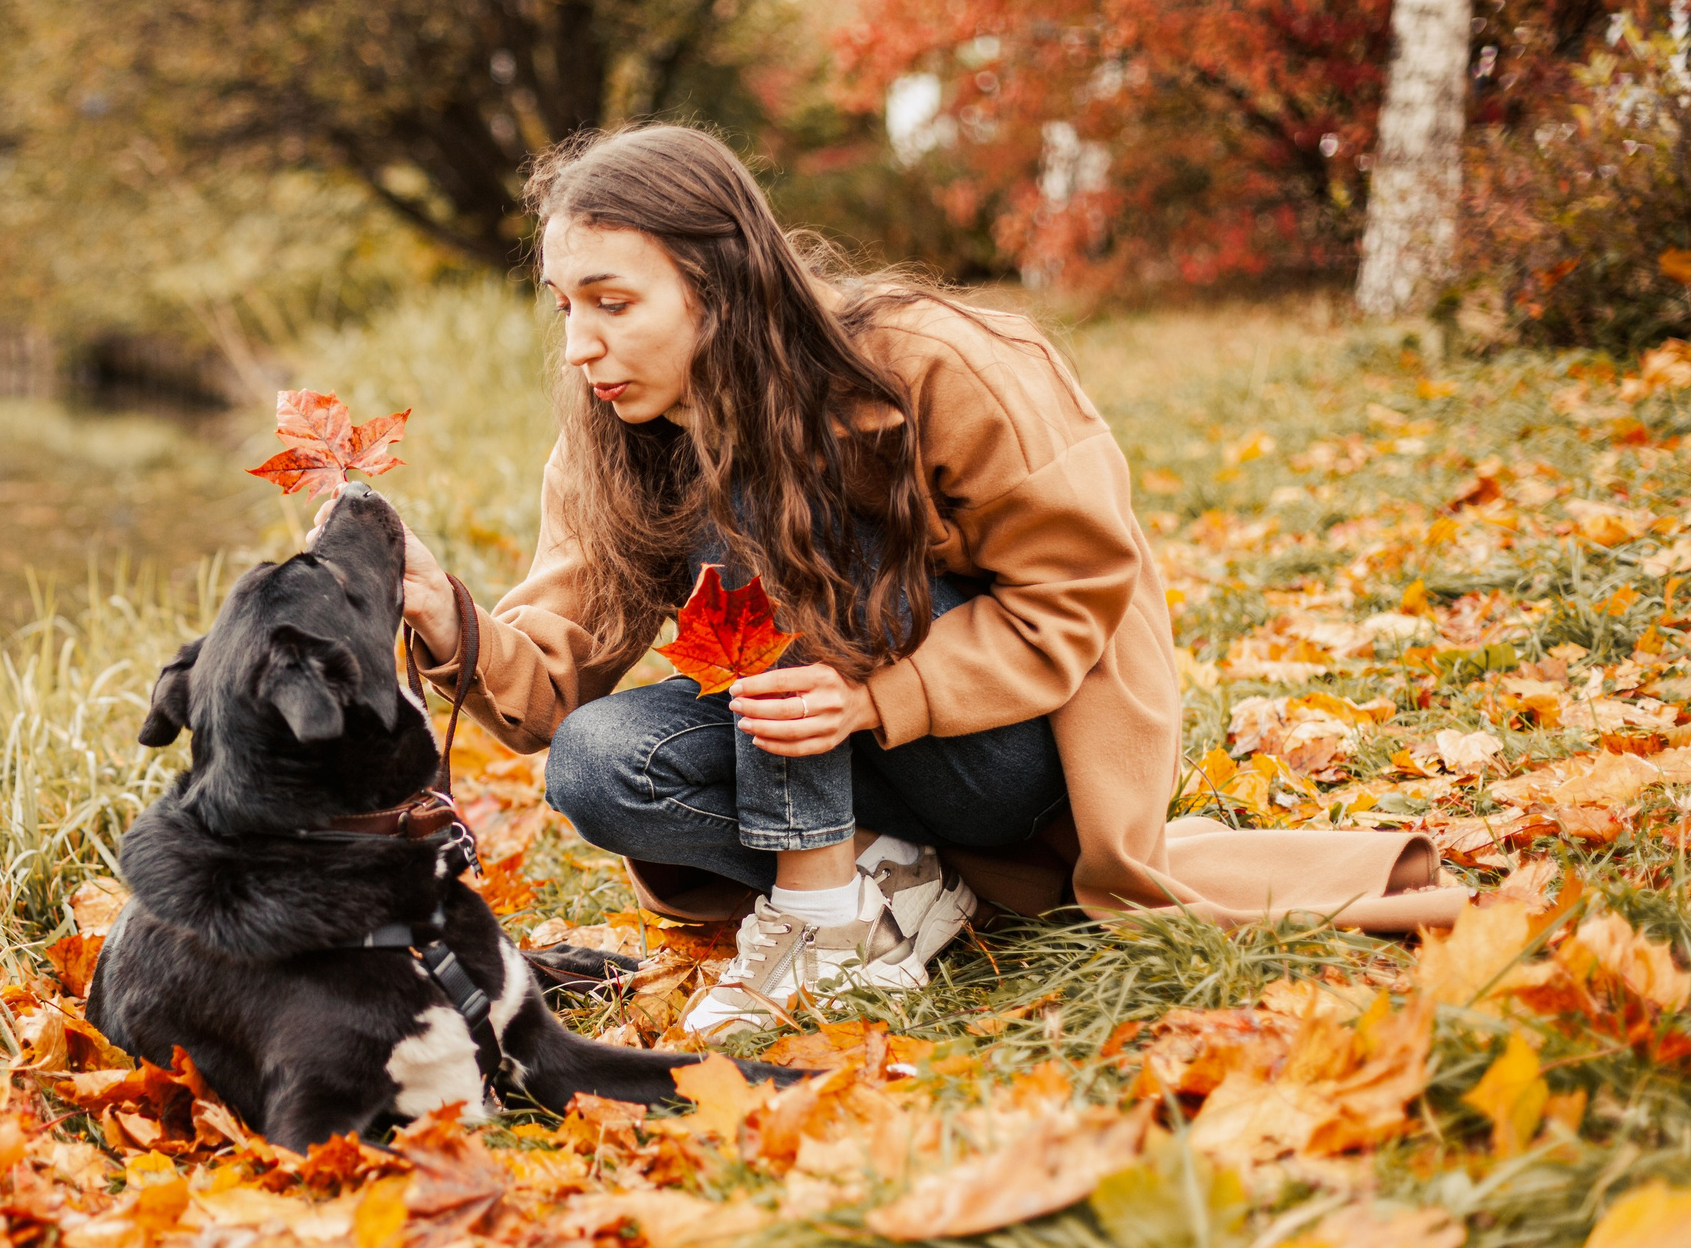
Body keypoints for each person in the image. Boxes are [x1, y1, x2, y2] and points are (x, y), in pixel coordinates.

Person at [385, 124, 1466, 1043]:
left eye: (612, 303)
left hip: (1003, 750)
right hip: (824, 746)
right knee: (598, 761)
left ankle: (829, 918)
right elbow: (553, 683)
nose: (580, 345)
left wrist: (874, 696)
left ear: (715, 281)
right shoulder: (614, 439)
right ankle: (892, 881)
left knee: (779, 513)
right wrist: (444, 612)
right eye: (564, 306)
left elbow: (1071, 594)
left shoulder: (934, 363)